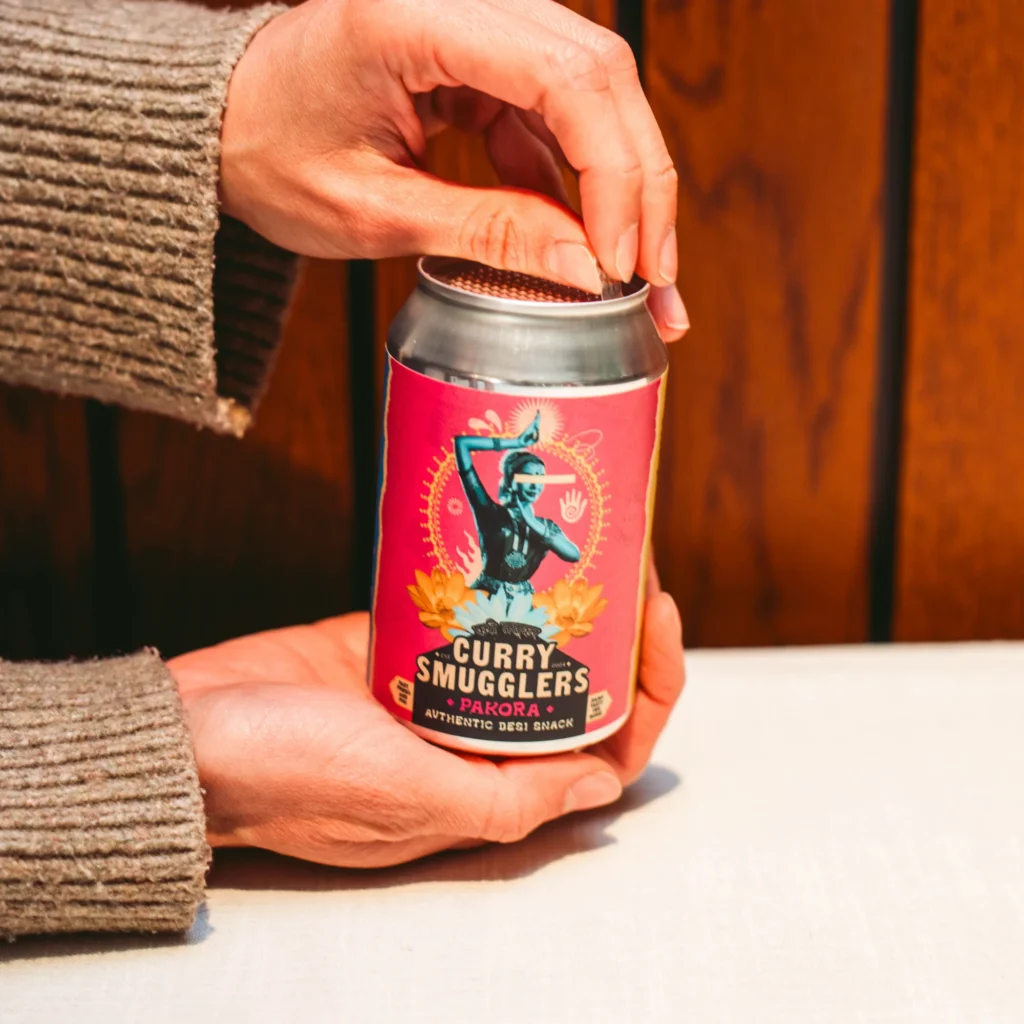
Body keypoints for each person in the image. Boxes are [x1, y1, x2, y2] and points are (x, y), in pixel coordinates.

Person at [0, 0, 688, 938]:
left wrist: (232, 118)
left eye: (534, 484)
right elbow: (475, 468)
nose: (528, 490)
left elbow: (573, 544)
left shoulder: (536, 519)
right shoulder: (497, 501)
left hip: (528, 630)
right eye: (525, 485)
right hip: (475, 612)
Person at [455, 413, 580, 598]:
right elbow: (462, 444)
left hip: (523, 604)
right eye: (527, 478)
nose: (535, 486)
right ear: (511, 482)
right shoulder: (489, 512)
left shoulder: (545, 526)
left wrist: (531, 522)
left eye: (540, 479)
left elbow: (573, 555)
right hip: (483, 600)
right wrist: (517, 442)